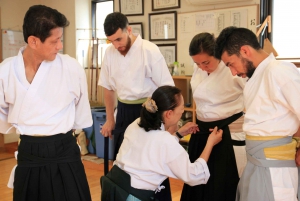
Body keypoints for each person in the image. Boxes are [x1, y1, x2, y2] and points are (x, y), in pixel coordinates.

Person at [0, 5, 92, 201]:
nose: (60, 46)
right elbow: (1, 116)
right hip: (30, 151)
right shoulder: (6, 71)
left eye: (61, 39)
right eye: (54, 41)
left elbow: (81, 112)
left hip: (65, 149)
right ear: (33, 41)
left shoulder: (71, 67)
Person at [215, 26, 300, 201]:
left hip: (276, 167)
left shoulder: (280, 70)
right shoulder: (257, 77)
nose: (233, 72)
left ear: (245, 51)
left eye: (231, 64)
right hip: (255, 161)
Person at [98, 12, 174, 200]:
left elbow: (168, 89)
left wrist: (170, 124)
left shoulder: (149, 50)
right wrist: (110, 119)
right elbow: (108, 88)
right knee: (124, 162)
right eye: (111, 41)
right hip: (123, 110)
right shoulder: (109, 54)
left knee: (152, 161)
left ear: (129, 30)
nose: (116, 45)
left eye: (119, 39)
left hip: (149, 111)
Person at [100, 85, 223, 201]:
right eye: (181, 111)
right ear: (169, 113)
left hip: (113, 188)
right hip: (132, 196)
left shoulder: (136, 124)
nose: (181, 115)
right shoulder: (165, 141)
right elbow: (194, 175)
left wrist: (179, 134)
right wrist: (210, 143)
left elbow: (155, 150)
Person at [180, 32, 246, 201]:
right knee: (198, 184)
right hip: (201, 132)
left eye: (206, 62)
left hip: (226, 132)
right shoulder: (199, 68)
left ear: (217, 54)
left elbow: (252, 96)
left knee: (220, 187)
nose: (202, 67)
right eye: (197, 63)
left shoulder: (231, 68)